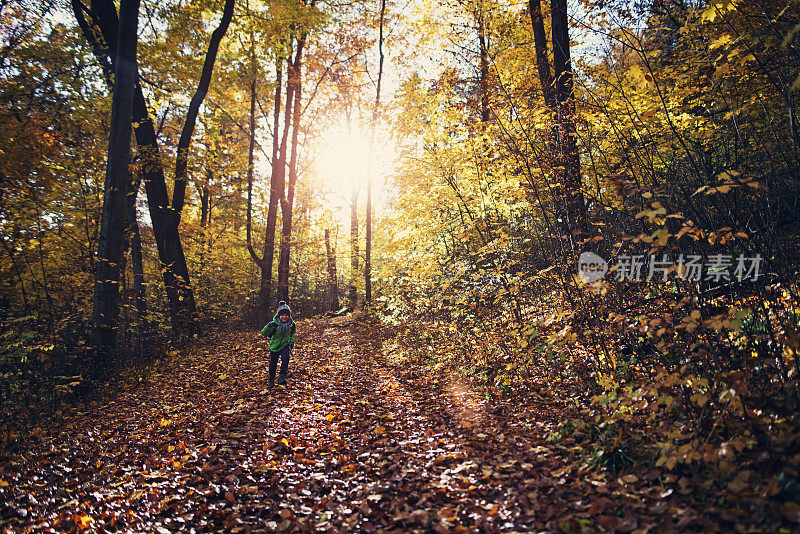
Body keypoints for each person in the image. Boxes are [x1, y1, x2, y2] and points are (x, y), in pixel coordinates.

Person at [260, 301, 296, 388]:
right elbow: (263, 333)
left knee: (286, 358)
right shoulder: (274, 324)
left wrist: (291, 342)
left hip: (285, 345)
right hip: (274, 346)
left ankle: (282, 376)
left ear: (289, 316)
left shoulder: (292, 324)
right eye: (282, 315)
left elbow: (292, 334)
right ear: (279, 315)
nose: (284, 317)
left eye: (286, 315)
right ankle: (271, 379)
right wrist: (268, 326)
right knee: (273, 363)